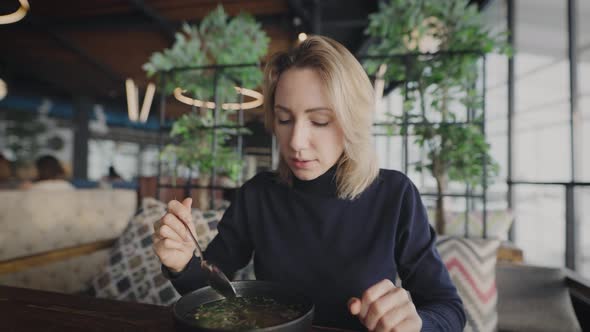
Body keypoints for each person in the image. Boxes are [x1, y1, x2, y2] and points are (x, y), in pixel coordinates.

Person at [153, 36, 465, 331]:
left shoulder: (395, 195)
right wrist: (182, 263)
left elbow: (448, 308)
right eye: (285, 119)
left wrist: (416, 322)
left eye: (319, 121)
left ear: (352, 120)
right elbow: (213, 294)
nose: (297, 142)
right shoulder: (259, 194)